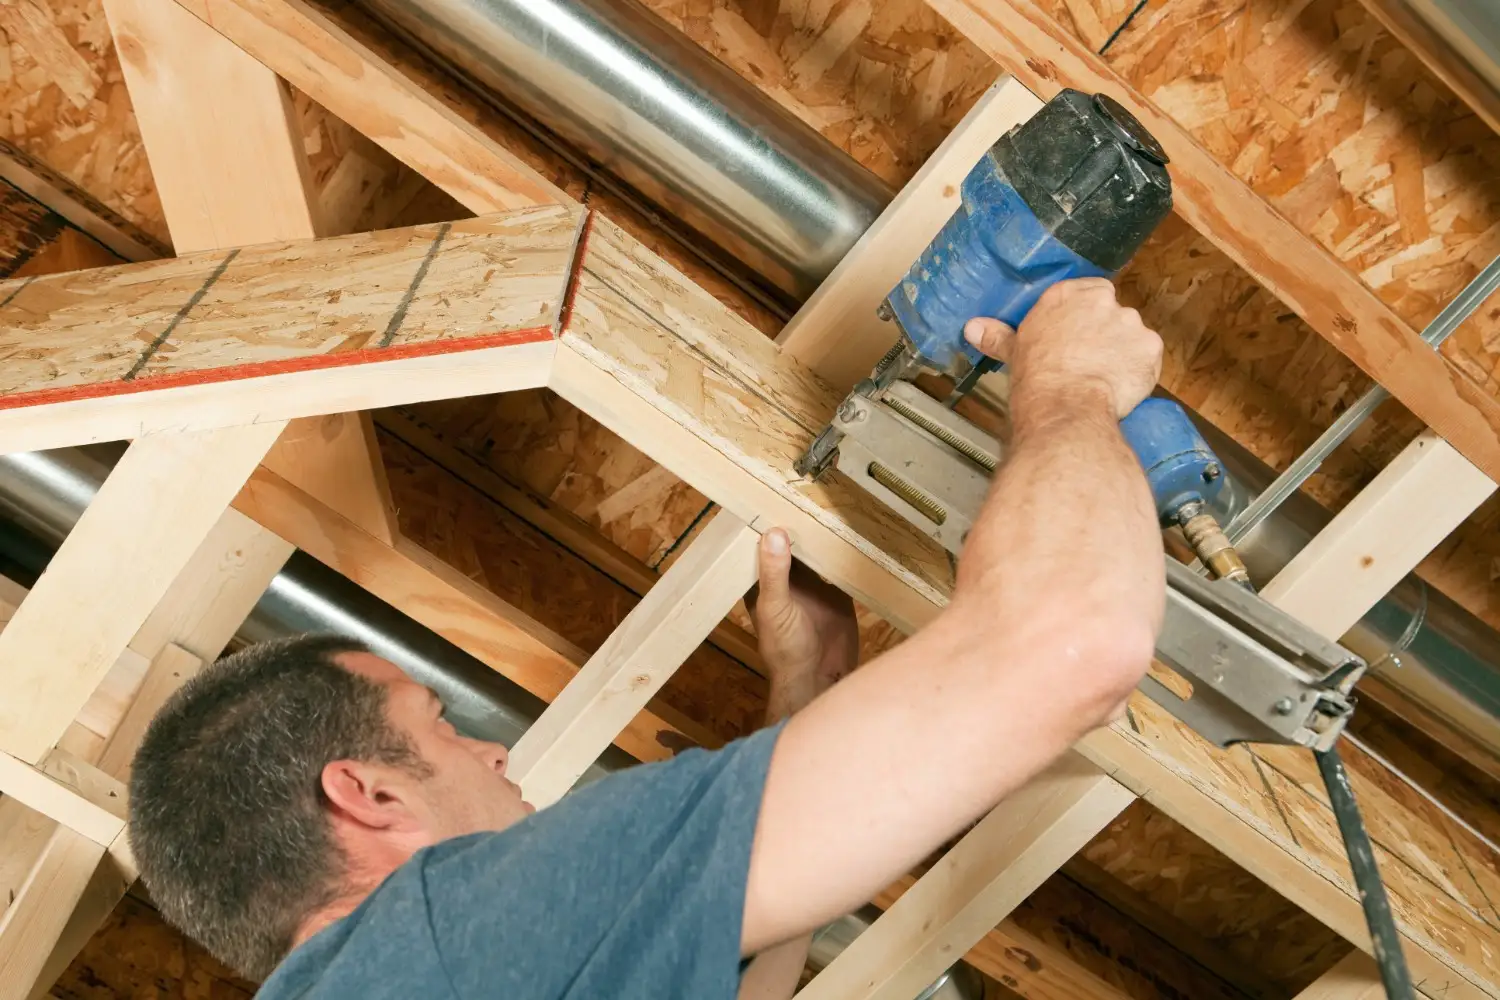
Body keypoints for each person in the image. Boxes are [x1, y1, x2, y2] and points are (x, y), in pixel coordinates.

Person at [127, 278, 1165, 999]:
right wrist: (1068, 388)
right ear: (367, 792)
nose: (494, 752)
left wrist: (806, 697)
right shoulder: (449, 935)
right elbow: (1073, 639)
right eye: (441, 726)